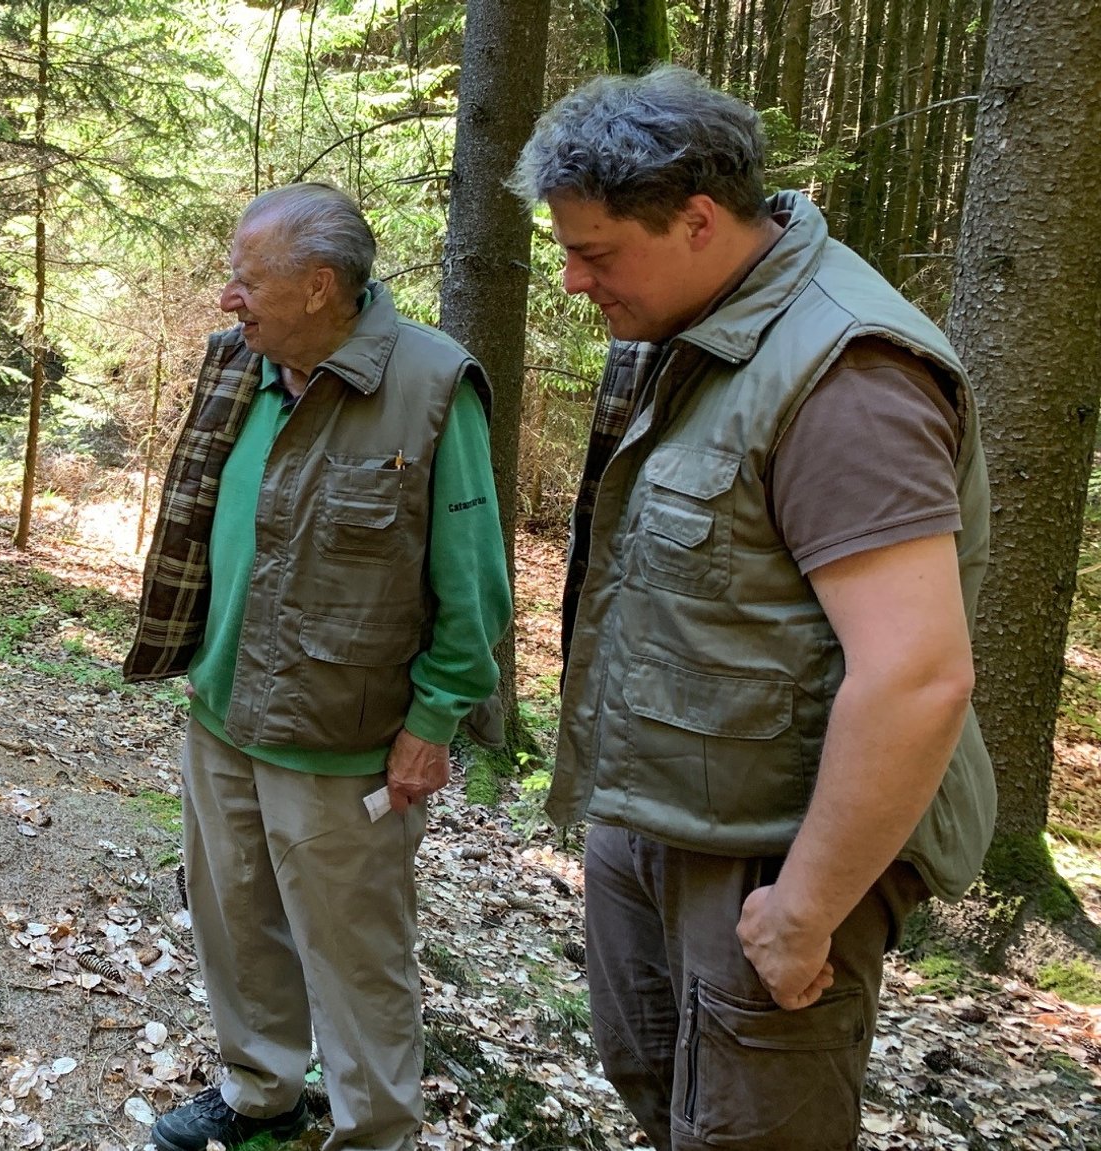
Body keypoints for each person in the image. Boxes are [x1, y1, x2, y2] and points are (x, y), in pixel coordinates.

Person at [510, 67, 995, 1149]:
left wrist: (805, 907)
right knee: (660, 1094)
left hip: (771, 855)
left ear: (694, 220)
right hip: (666, 817)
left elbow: (915, 673)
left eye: (594, 253)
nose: (575, 282)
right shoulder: (691, 326)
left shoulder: (844, 377)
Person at [123, 181, 513, 1151]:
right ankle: (261, 1092)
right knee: (234, 922)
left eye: (245, 281)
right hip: (221, 713)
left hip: (345, 741)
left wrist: (433, 722)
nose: (227, 299)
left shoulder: (427, 386)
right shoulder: (238, 364)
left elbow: (473, 586)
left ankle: (371, 1131)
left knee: (354, 957)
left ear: (320, 286)